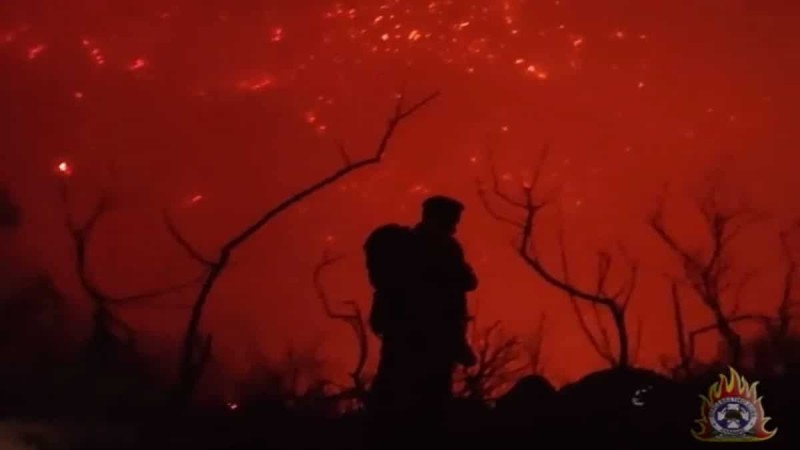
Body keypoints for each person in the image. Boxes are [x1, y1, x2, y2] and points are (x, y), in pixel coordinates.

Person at [364, 195, 478, 445]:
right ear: (440, 217)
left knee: (392, 391)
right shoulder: (442, 247)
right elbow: (467, 283)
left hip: (401, 336)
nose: (455, 226)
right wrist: (458, 344)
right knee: (429, 403)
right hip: (432, 340)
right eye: (453, 220)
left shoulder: (404, 247)